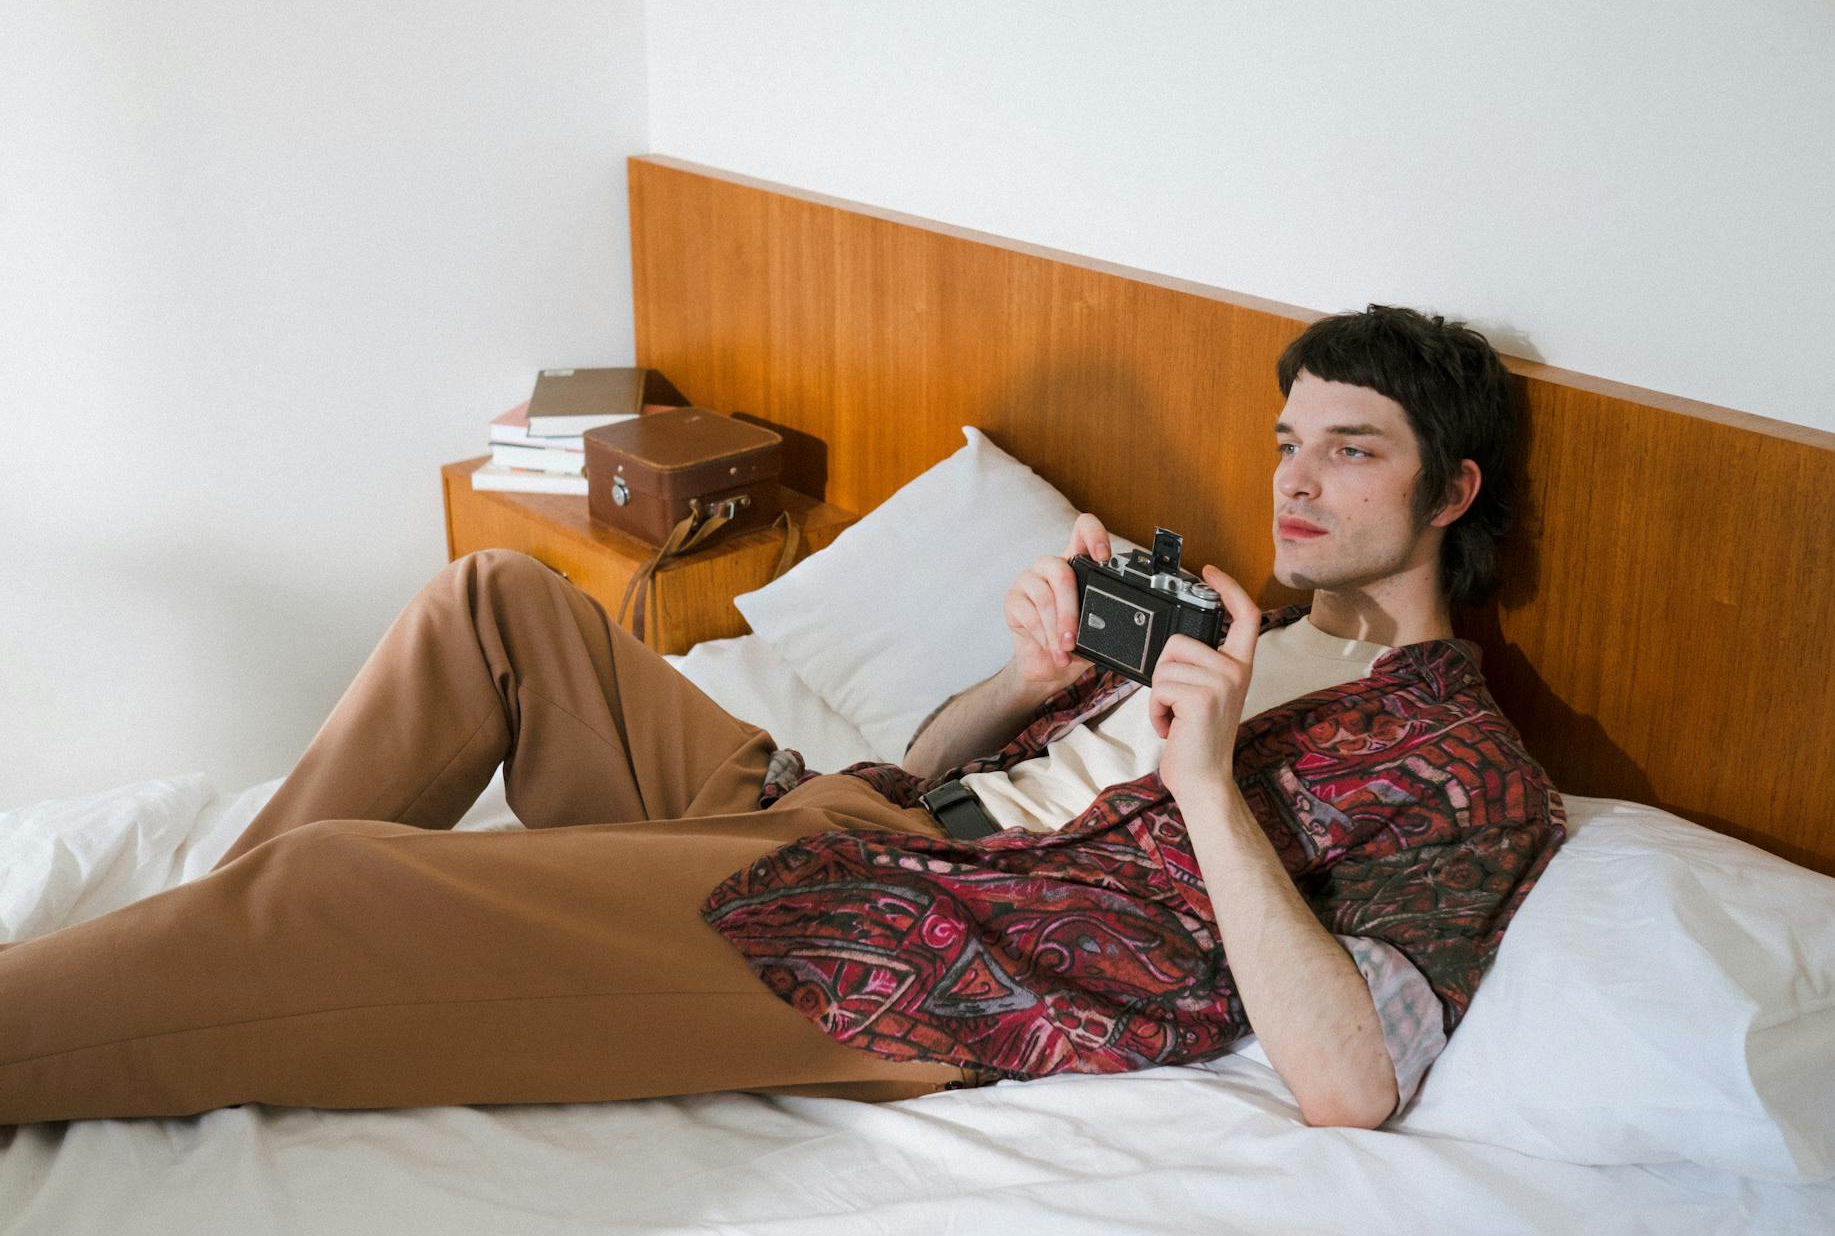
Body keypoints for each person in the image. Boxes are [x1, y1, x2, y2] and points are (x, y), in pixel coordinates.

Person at [0, 305, 1562, 1130]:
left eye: (1352, 451)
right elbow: (969, 781)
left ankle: (137, 981)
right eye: (1291, 439)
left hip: (910, 947)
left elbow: (1352, 1082)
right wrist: (1025, 686)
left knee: (342, 885)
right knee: (492, 601)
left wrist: (1211, 783)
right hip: (858, 813)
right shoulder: (1239, 627)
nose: (1295, 480)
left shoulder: (1459, 764)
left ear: (1455, 488)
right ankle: (191, 944)